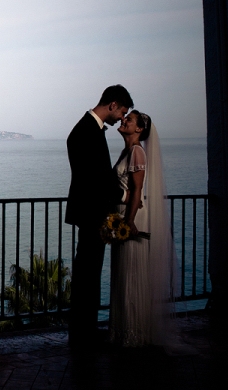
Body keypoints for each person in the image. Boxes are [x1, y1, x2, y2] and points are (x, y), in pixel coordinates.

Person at [108, 111, 184, 352]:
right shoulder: (128, 151)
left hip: (132, 217)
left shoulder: (137, 152)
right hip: (123, 214)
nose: (123, 121)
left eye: (128, 119)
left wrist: (128, 222)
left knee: (132, 273)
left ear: (139, 129)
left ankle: (135, 332)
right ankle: (125, 330)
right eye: (124, 118)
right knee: (124, 273)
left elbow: (137, 189)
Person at [65, 84, 133, 347]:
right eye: (122, 112)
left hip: (90, 211)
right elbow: (98, 178)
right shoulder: (86, 131)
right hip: (92, 213)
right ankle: (84, 332)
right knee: (88, 274)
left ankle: (84, 328)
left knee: (88, 272)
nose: (121, 118)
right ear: (113, 104)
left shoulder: (87, 129)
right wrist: (124, 197)